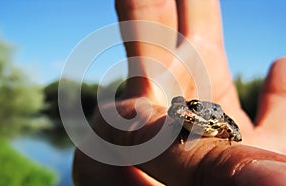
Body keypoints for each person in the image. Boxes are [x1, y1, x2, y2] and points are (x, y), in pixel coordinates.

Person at [73, 0, 286, 185]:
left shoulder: (210, 121)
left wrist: (233, 141)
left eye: (189, 107)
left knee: (235, 133)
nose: (178, 109)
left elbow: (226, 125)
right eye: (177, 103)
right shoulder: (180, 119)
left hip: (215, 119)